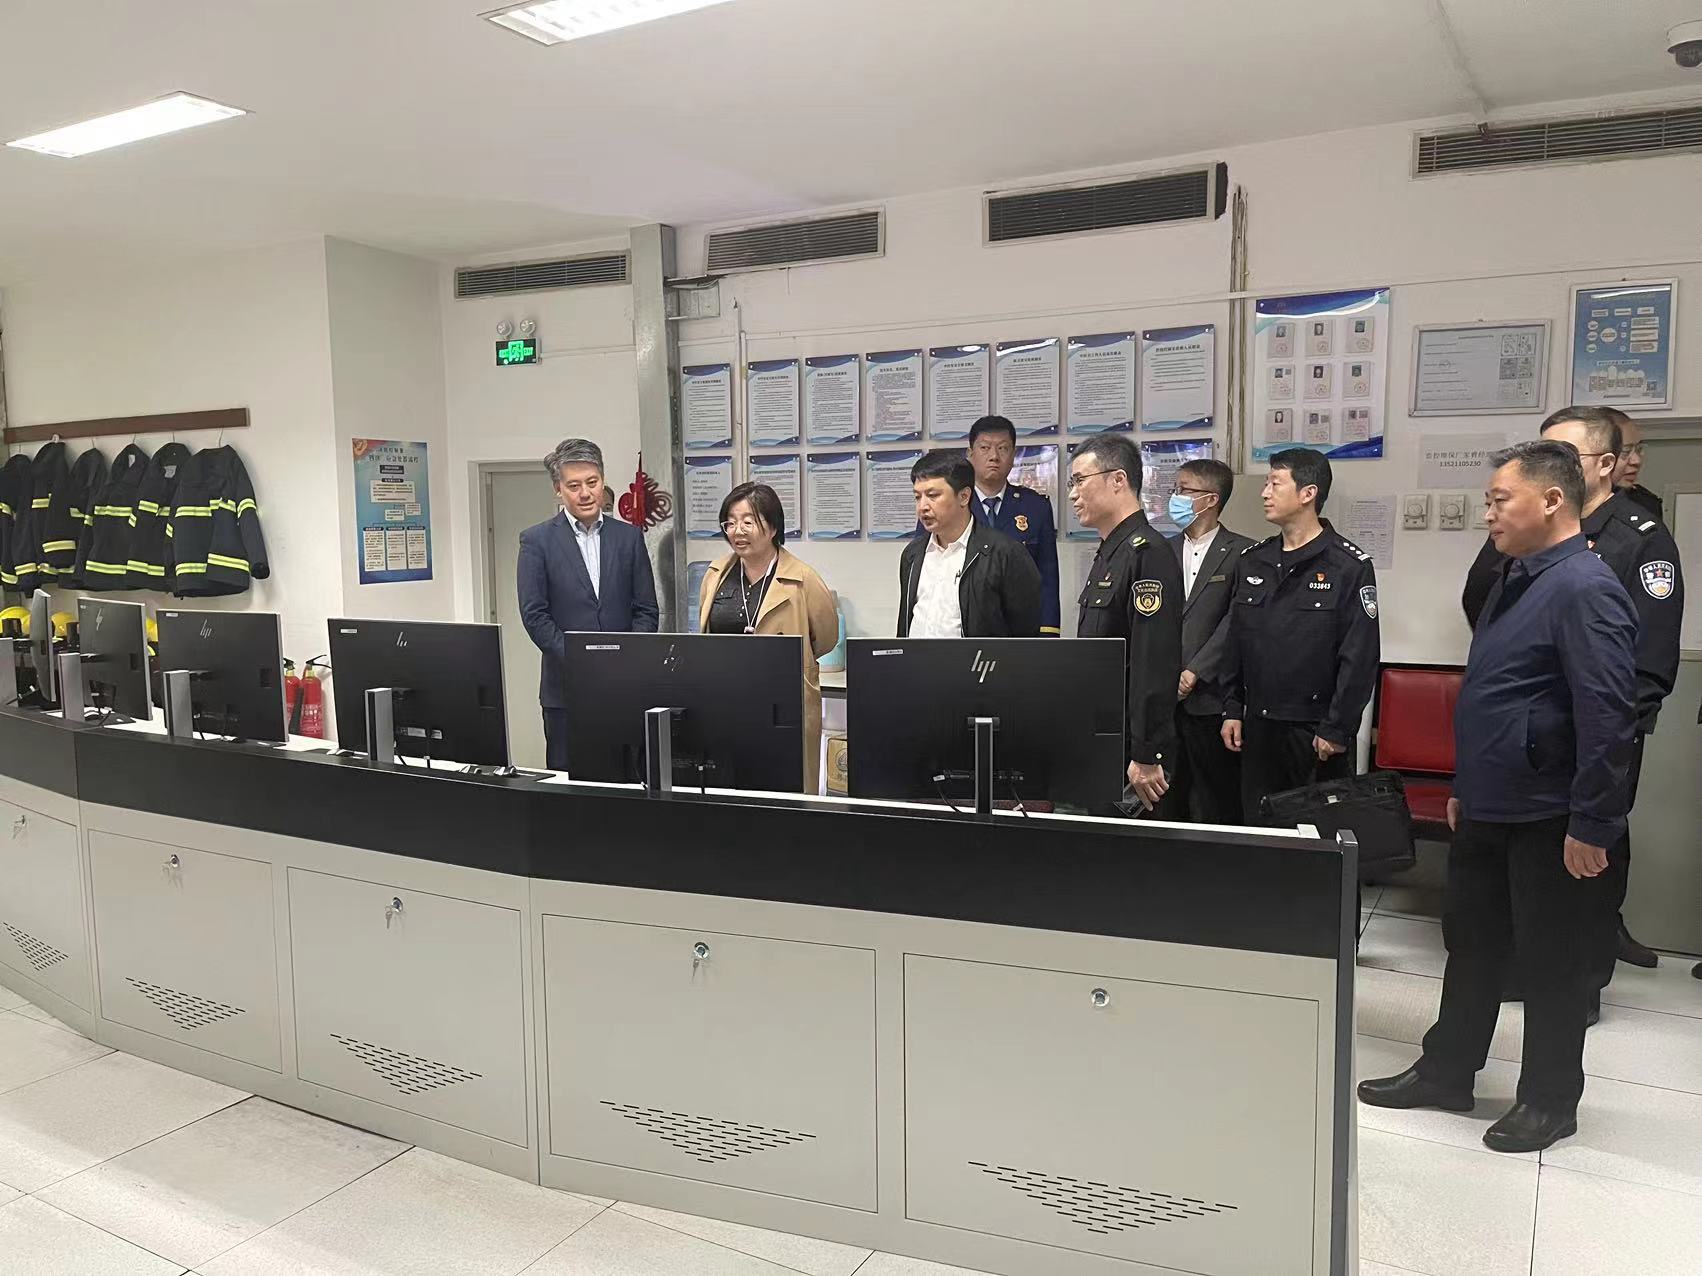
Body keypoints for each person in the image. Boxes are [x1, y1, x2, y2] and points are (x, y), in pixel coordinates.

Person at [1359, 440, 1637, 1154]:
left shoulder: (1584, 586)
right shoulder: (1518, 576)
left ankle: (1549, 1099)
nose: (1488, 513)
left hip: (1549, 813)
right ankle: (1448, 1070)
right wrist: (1468, 788)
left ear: (1553, 500)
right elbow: (1498, 694)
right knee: (1473, 946)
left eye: (1500, 500)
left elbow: (1609, 716)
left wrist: (1594, 823)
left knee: (1550, 961)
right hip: (1490, 801)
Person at [1460, 407, 1683, 982]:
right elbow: (1480, 606)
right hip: (1520, 753)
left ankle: (1584, 985)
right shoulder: (1522, 533)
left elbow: (1643, 665)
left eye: (1564, 453)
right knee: (1508, 905)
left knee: (1585, 878)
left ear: (1604, 465)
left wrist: (1605, 748)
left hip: (1591, 744)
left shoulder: (1635, 538)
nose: (1546, 461)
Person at [1221, 448, 1379, 822]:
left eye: (1275, 484)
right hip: (1259, 728)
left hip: (1315, 733)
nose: (1265, 493)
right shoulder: (1253, 560)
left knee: (1318, 836)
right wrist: (1232, 708)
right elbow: (1236, 642)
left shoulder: (1348, 566)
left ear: (1308, 493)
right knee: (1260, 829)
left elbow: (1359, 656)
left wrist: (1337, 728)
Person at [518, 438, 659, 770]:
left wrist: (625, 658)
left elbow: (646, 609)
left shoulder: (628, 538)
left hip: (624, 686)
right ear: (558, 490)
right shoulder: (536, 541)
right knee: (568, 782)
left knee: (627, 780)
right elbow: (535, 615)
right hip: (565, 690)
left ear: (602, 481)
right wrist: (582, 660)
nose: (585, 493)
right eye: (574, 485)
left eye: (592, 483)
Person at [1068, 432, 1184, 812]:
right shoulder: (1110, 553)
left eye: (1079, 480)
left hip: (1132, 749)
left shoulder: (1147, 553)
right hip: (1103, 734)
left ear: (1118, 479)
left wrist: (1147, 752)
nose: (1073, 494)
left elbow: (1154, 660)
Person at [698, 482, 838, 793]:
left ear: (773, 527)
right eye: (730, 523)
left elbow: (825, 638)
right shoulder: (715, 574)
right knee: (728, 787)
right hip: (725, 700)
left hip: (783, 703)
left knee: (784, 791)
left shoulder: (803, 579)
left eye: (748, 522)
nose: (738, 531)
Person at [1151, 458, 1255, 825]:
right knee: (1165, 798)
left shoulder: (1244, 553)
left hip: (1212, 697)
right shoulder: (1159, 550)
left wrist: (1195, 670)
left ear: (1210, 499)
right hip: (1163, 696)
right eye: (1174, 489)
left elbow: (1236, 620)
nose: (1175, 497)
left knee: (1215, 799)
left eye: (1183, 490)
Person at [898, 449, 1041, 638]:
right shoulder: (913, 554)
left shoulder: (1004, 553)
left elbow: (1024, 634)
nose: (923, 506)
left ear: (964, 496)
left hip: (977, 658)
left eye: (933, 495)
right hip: (917, 657)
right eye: (918, 497)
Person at [966, 415, 1061, 635]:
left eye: (1003, 448)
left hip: (1020, 631)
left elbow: (1047, 577)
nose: (994, 456)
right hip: (966, 630)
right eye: (984, 448)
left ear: (1014, 455)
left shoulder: (1035, 507)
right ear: (970, 454)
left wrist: (1048, 632)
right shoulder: (952, 504)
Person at [1609, 410, 1661, 521]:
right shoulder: (1574, 505)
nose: (1636, 461)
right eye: (1625, 451)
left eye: (1639, 449)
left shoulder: (1646, 504)